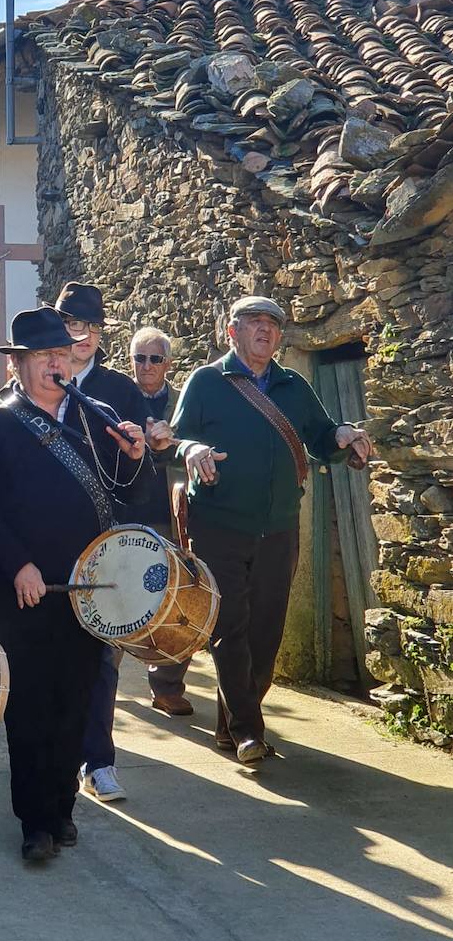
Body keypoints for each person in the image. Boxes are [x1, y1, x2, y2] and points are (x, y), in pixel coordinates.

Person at [0, 308, 147, 862]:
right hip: (24, 592)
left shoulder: (97, 417)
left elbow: (131, 495)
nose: (54, 365)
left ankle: (62, 807)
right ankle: (34, 821)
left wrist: (136, 459)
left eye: (61, 355)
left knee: (76, 700)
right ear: (18, 365)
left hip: (90, 590)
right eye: (42, 357)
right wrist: (18, 564)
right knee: (31, 705)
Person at [171, 296, 372, 766]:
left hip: (279, 528)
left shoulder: (293, 386)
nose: (265, 331)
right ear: (231, 332)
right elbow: (173, 440)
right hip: (219, 527)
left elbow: (321, 439)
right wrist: (192, 449)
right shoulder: (205, 382)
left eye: (273, 325)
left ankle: (230, 725)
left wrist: (342, 435)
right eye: (254, 322)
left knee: (265, 632)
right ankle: (247, 730)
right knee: (229, 627)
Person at [54, 283, 164, 804]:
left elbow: (138, 479)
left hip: (104, 539)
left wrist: (140, 453)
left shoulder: (120, 391)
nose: (84, 337)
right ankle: (54, 753)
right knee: (49, 654)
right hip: (48, 540)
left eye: (93, 328)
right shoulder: (34, 380)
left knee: (103, 656)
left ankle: (99, 762)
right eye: (75, 325)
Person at [118, 326, 193, 717]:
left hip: (170, 516)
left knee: (179, 601)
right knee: (115, 595)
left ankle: (167, 686)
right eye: (138, 358)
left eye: (154, 358)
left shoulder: (186, 403)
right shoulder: (115, 396)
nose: (145, 366)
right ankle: (103, 682)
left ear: (169, 364)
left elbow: (201, 447)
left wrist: (173, 443)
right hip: (123, 513)